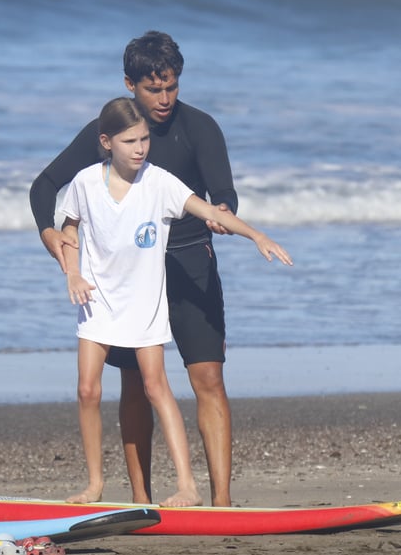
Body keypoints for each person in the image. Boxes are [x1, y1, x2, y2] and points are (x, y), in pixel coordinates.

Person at [30, 31, 242, 506]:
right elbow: (45, 186)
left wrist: (224, 211)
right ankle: (141, 499)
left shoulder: (201, 127)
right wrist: (51, 235)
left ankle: (222, 504)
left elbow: (223, 193)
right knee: (136, 383)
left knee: (207, 377)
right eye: (153, 89)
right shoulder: (107, 132)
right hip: (129, 275)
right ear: (130, 85)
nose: (164, 99)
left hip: (190, 266)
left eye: (171, 86)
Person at [60, 97, 291, 507]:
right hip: (98, 299)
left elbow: (208, 212)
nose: (140, 148)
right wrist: (73, 273)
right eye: (130, 140)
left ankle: (188, 485)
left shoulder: (160, 182)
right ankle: (94, 485)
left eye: (145, 139)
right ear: (106, 141)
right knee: (86, 390)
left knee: (155, 386)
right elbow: (69, 229)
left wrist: (255, 234)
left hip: (145, 302)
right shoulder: (84, 183)